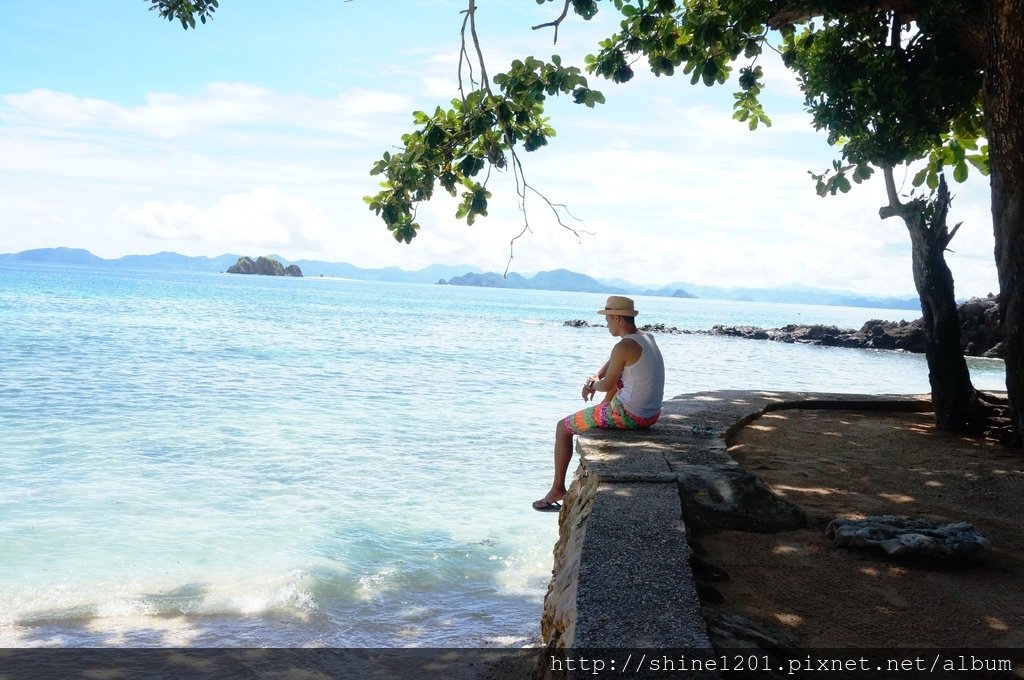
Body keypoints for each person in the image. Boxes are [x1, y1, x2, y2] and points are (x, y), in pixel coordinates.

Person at [532, 295, 665, 512]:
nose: (606, 324)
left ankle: (557, 488)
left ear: (617, 317)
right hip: (651, 414)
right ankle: (602, 410)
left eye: (608, 319)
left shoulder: (623, 346)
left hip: (630, 416)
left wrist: (592, 385)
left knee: (562, 427)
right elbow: (612, 364)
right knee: (621, 379)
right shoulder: (645, 337)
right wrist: (595, 376)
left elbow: (606, 384)